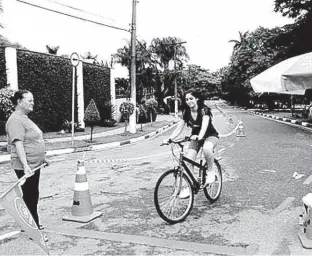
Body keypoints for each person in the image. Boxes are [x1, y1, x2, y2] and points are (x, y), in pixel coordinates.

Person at [6, 90, 49, 239]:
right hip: (26, 166)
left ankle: (29, 223)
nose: (32, 103)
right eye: (29, 100)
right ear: (19, 101)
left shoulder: (24, 118)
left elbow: (33, 140)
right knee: (30, 195)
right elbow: (18, 144)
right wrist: (25, 166)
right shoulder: (15, 120)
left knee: (32, 194)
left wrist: (42, 158)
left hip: (34, 164)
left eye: (33, 100)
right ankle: (34, 230)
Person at [163, 89, 219, 194]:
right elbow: (179, 128)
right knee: (189, 160)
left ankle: (211, 172)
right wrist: (170, 139)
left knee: (207, 148)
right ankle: (191, 186)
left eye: (191, 98)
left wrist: (199, 136)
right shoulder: (187, 112)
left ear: (197, 99)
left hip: (210, 136)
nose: (189, 101)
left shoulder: (204, 110)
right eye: (187, 99)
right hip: (195, 138)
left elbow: (204, 126)